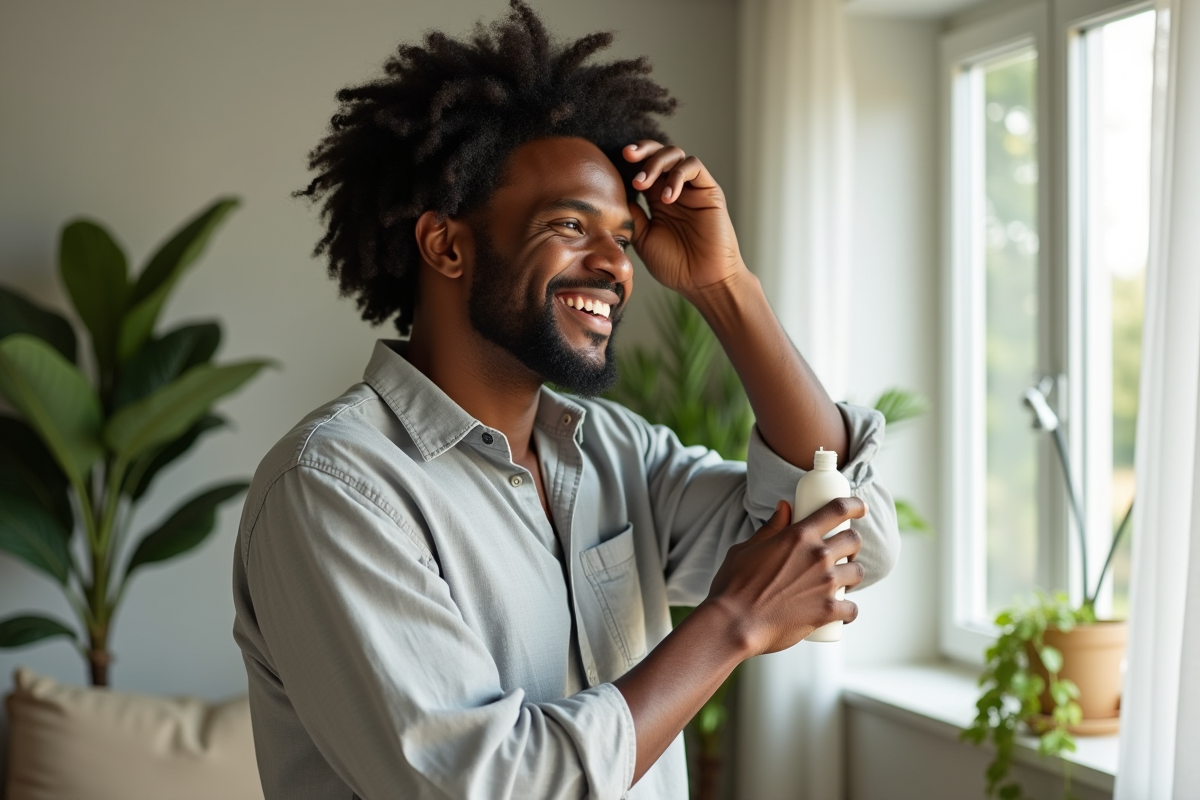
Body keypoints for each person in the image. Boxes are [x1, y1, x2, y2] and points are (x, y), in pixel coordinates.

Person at [232, 3, 900, 798]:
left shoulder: (616, 452)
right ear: (447, 245)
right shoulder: (334, 489)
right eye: (569, 224)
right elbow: (490, 785)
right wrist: (730, 625)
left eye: (621, 237)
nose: (615, 266)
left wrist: (724, 287)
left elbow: (855, 546)